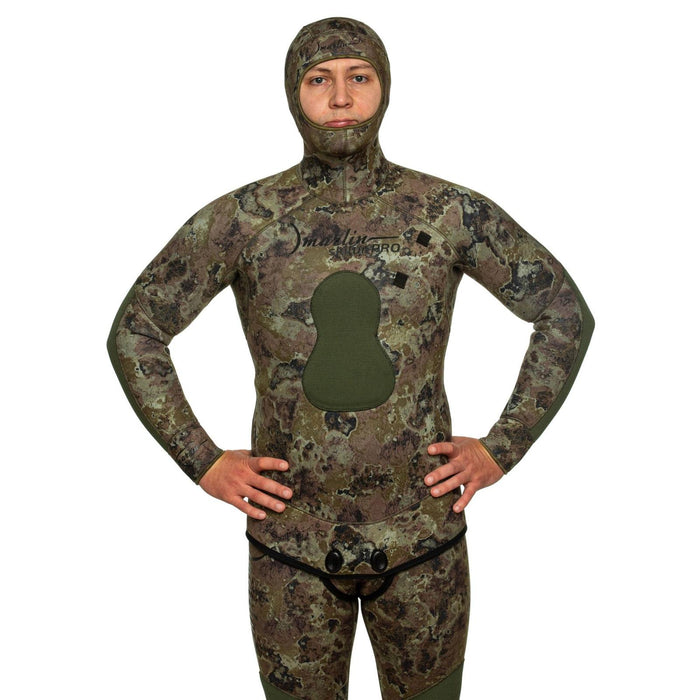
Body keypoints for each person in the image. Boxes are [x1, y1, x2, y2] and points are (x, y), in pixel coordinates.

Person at [107, 17, 593, 700]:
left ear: (384, 88)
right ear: (293, 94)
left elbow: (563, 312)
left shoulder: (445, 212)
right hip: (291, 549)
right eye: (319, 80)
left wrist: (502, 447)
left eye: (358, 77)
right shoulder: (245, 219)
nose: (340, 97)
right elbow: (137, 328)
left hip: (422, 541)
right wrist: (203, 460)